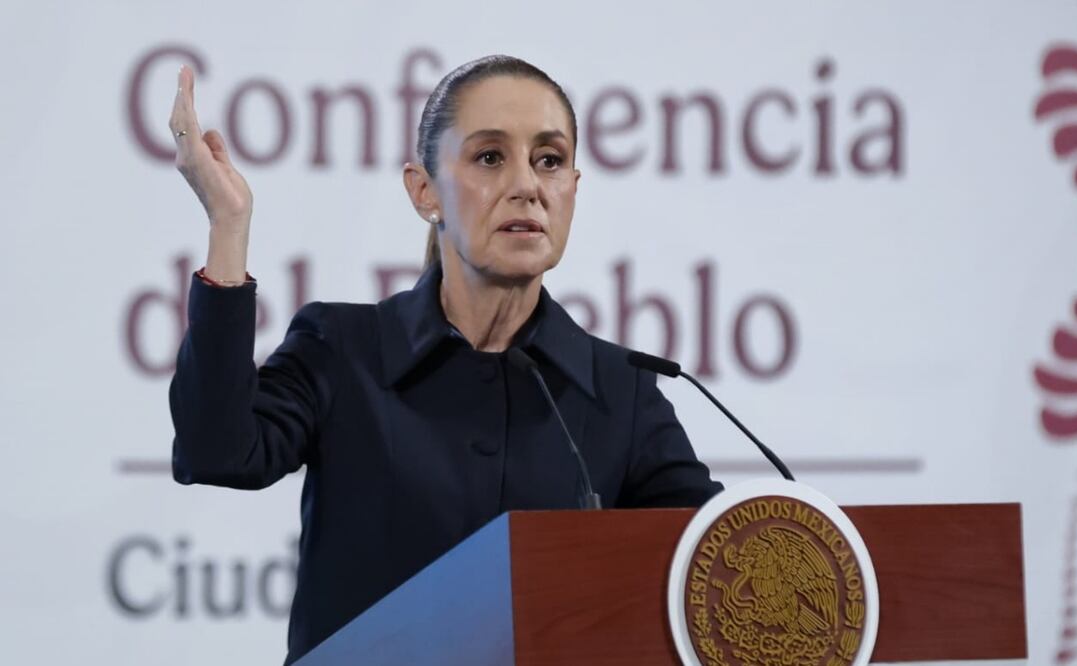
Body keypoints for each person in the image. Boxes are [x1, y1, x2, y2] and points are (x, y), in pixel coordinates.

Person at [168, 55, 722, 664]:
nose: (527, 186)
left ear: (572, 189)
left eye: (550, 160)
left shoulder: (621, 391)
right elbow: (216, 450)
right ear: (423, 190)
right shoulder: (343, 348)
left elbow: (718, 562)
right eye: (490, 157)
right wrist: (229, 224)